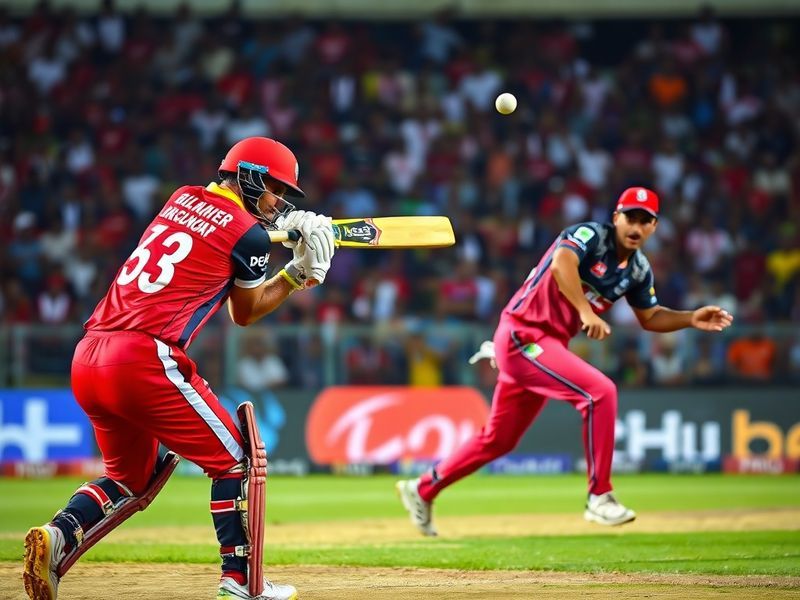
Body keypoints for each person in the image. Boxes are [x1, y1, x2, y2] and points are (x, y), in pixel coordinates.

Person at [23, 136, 335, 600]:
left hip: (89, 355)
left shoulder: (181, 196)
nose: (278, 202)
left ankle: (61, 533)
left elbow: (221, 231)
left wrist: (274, 232)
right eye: (275, 190)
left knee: (131, 478)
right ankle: (241, 581)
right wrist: (297, 275)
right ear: (248, 177)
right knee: (238, 461)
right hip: (143, 358)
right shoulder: (248, 235)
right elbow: (244, 313)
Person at [396, 187, 733, 535]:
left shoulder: (638, 269)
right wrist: (585, 311)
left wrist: (690, 318)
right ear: (616, 217)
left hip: (546, 347)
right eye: (630, 217)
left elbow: (650, 317)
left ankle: (422, 489)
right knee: (600, 392)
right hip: (522, 334)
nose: (636, 227)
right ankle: (599, 497)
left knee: (499, 440)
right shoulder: (588, 235)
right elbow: (562, 263)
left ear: (654, 227)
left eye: (645, 221)